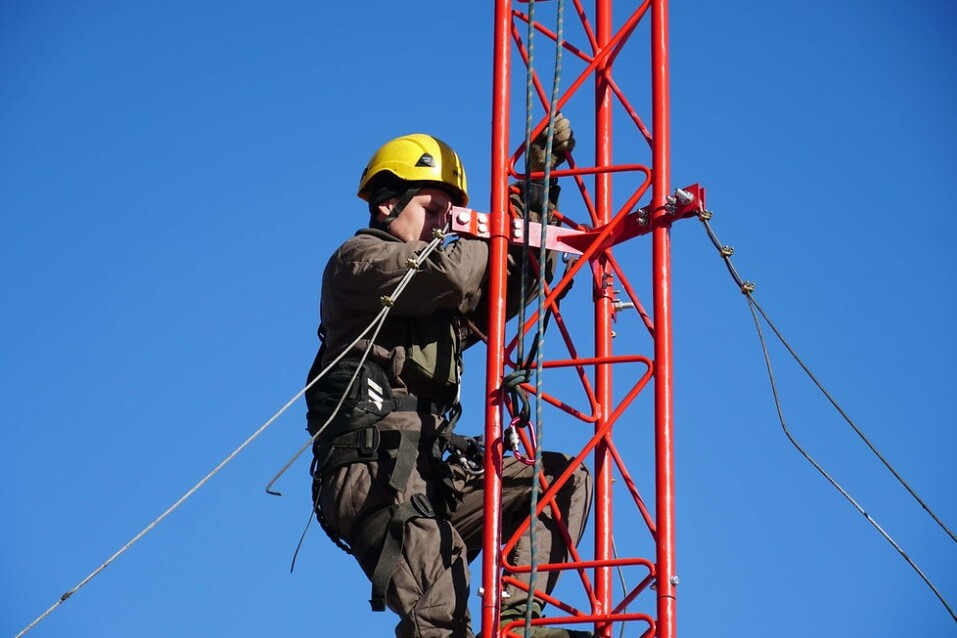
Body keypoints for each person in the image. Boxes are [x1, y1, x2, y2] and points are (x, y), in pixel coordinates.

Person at [305, 121, 592, 638]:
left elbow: (515, 285)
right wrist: (491, 229)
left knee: (558, 481)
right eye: (434, 211)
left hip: (432, 471)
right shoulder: (357, 262)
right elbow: (453, 274)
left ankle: (515, 621)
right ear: (387, 204)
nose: (445, 225)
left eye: (450, 214)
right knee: (441, 619)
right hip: (374, 472)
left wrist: (535, 197)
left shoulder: (439, 304)